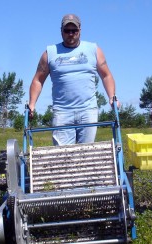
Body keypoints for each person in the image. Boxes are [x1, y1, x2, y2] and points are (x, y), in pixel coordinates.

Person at [28, 14, 118, 146]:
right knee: (63, 157)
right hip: (62, 112)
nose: (71, 34)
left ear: (80, 30)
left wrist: (112, 97)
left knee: (86, 153)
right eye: (67, 30)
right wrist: (32, 104)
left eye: (74, 30)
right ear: (61, 31)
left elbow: (106, 75)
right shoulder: (50, 53)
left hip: (88, 111)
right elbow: (38, 80)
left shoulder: (94, 50)